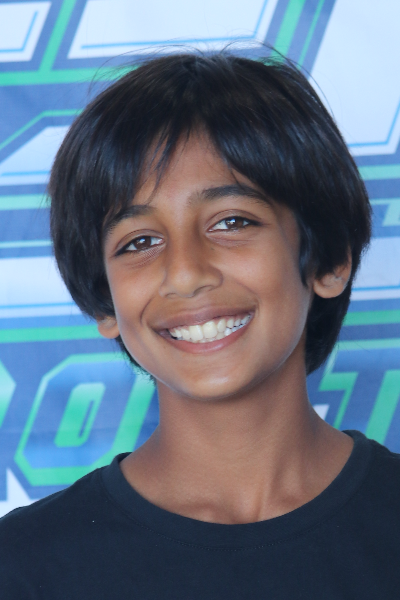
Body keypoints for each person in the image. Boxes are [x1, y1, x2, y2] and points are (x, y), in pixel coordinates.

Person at [1, 50, 397, 599]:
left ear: (329, 260)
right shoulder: (22, 568)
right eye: (140, 241)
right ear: (105, 305)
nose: (185, 273)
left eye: (232, 222)